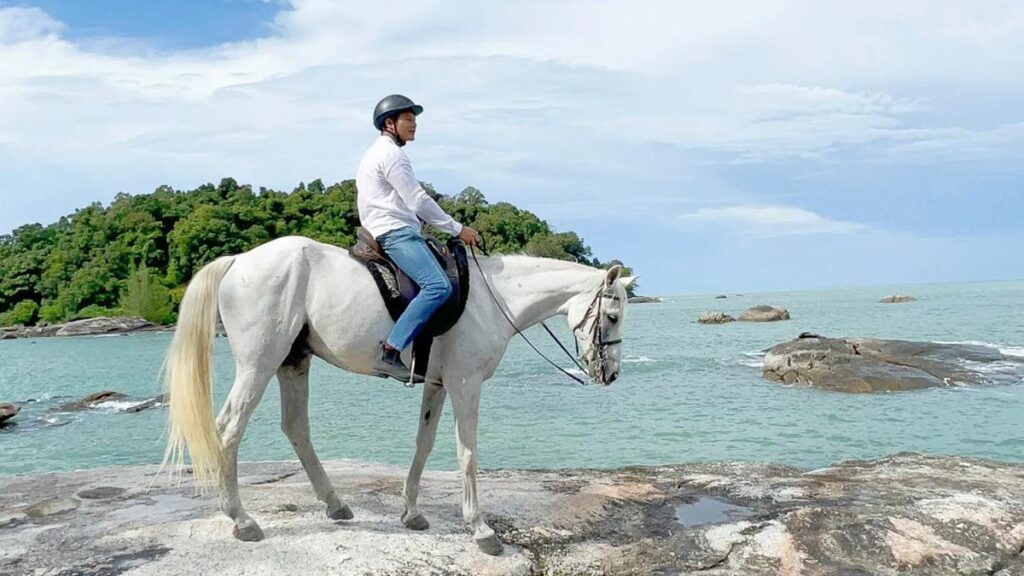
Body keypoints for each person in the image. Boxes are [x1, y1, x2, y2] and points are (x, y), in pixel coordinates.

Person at [355, 94, 480, 382]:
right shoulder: (392, 155)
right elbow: (418, 200)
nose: (414, 125)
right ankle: (391, 349)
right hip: (395, 232)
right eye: (408, 120)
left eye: (414, 120)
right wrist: (458, 229)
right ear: (390, 123)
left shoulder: (375, 153)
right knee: (437, 286)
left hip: (388, 227)